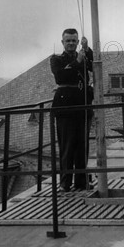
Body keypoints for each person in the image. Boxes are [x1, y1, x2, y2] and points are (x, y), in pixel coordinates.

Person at [50, 29, 93, 192]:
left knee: (82, 146)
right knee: (67, 146)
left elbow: (94, 64)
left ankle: (81, 182)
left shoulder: (82, 55)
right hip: (65, 107)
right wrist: (77, 62)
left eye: (74, 41)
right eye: (68, 41)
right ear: (62, 42)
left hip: (83, 104)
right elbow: (60, 77)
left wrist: (87, 49)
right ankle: (65, 183)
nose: (71, 43)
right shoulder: (56, 59)